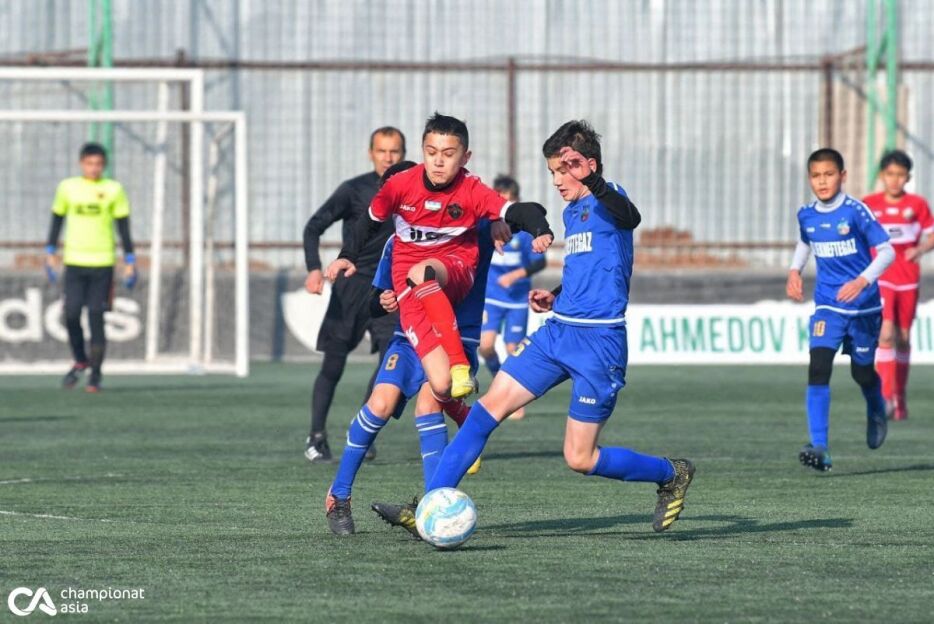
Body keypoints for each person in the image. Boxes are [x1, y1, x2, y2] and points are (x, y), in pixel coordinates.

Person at [372, 120, 695, 538]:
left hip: (599, 344)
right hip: (557, 333)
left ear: (590, 166)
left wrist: (594, 181)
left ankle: (671, 473)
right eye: (553, 172)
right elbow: (592, 267)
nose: (557, 180)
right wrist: (556, 295)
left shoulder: (611, 198)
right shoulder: (571, 211)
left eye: (565, 170)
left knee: (579, 457)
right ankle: (430, 505)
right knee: (485, 411)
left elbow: (630, 217)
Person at [325, 113, 553, 405]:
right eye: (431, 153)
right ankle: (464, 414)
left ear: (465, 157)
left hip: (457, 287)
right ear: (423, 152)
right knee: (427, 390)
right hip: (413, 300)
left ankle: (460, 366)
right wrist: (347, 257)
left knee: (424, 275)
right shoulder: (398, 199)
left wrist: (532, 228)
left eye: (447, 154)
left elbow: (524, 210)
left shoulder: (471, 191)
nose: (438, 161)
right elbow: (367, 226)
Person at [325, 179, 510, 535]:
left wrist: (507, 222)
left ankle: (431, 506)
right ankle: (339, 495)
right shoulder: (398, 243)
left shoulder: (473, 229)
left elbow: (508, 212)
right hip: (408, 340)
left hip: (457, 340)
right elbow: (376, 300)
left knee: (428, 405)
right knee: (379, 404)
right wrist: (381, 302)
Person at [786, 148, 895, 472]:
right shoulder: (806, 215)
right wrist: (794, 270)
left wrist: (862, 281)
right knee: (818, 367)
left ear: (842, 176)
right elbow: (805, 242)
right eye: (816, 176)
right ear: (810, 179)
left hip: (863, 309)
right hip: (828, 306)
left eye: (829, 174)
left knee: (862, 373)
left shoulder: (856, 211)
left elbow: (886, 252)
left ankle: (876, 407)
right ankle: (820, 447)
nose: (822, 181)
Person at [302, 126, 406, 463]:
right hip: (351, 286)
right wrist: (314, 268)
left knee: (391, 363)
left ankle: (362, 428)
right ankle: (316, 437)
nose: (388, 157)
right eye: (382, 151)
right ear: (370, 153)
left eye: (394, 151)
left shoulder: (412, 190)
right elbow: (314, 226)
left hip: (389, 289)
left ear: (403, 154)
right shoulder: (354, 190)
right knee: (333, 363)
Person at [45, 142, 137, 393]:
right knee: (71, 314)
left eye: (98, 164)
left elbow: (123, 226)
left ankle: (95, 375)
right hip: (74, 262)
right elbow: (57, 219)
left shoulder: (114, 189)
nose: (94, 168)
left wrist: (130, 259)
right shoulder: (68, 188)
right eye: (89, 163)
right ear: (81, 163)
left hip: (103, 263)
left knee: (96, 316)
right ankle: (80, 360)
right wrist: (50, 251)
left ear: (104, 165)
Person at [862, 150, 934, 421]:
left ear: (908, 178)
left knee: (903, 337)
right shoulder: (869, 204)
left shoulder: (917, 204)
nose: (895, 180)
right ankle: (884, 398)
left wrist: (920, 249)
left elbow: (931, 234)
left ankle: (899, 396)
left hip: (908, 277)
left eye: (900, 175)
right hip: (881, 276)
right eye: (890, 174)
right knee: (885, 333)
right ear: (882, 175)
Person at [480, 174, 546, 420]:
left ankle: (512, 399)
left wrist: (516, 275)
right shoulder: (488, 227)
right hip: (491, 296)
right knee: (485, 346)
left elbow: (539, 262)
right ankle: (500, 385)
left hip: (517, 299)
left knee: (512, 348)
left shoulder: (525, 233)